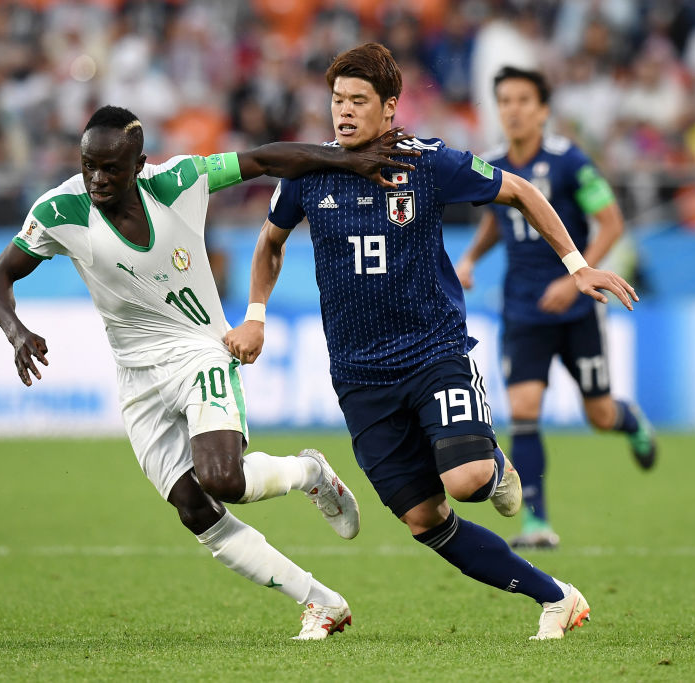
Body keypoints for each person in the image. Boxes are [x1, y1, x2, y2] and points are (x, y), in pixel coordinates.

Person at [225, 43, 638, 641]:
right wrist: (256, 315)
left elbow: (521, 192)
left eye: (358, 100)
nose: (344, 111)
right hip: (360, 376)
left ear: (389, 107)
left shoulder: (428, 162)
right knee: (424, 519)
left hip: (433, 353)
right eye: (337, 100)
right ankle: (557, 597)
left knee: (466, 481)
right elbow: (270, 241)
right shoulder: (309, 170)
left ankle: (493, 467)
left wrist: (576, 265)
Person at [0, 105, 418, 640]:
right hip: (137, 378)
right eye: (88, 165)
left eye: (111, 168)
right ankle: (320, 602)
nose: (97, 178)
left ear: (139, 164)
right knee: (195, 510)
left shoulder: (178, 181)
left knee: (223, 480)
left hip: (199, 353)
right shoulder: (59, 210)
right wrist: (16, 332)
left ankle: (309, 473)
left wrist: (347, 161)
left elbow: (264, 159)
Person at [455, 66, 657, 550]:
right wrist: (471, 258)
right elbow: (498, 218)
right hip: (522, 310)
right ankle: (536, 523)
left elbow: (611, 222)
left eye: (524, 100)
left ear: (543, 110)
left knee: (600, 415)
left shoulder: (570, 163)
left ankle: (630, 421)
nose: (513, 110)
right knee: (524, 410)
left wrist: (574, 277)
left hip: (577, 310)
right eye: (505, 100)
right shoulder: (492, 164)